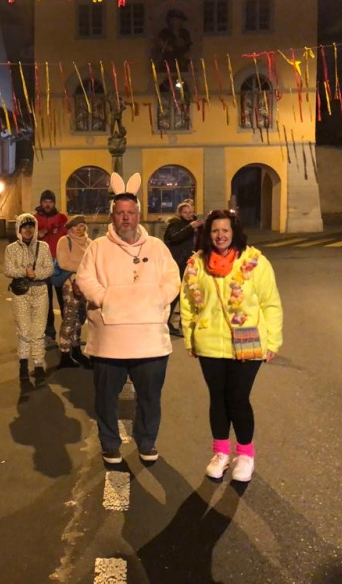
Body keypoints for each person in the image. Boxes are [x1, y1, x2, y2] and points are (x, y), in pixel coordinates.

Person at [76, 173, 180, 465]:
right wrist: (106, 299)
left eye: (130, 213)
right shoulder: (98, 247)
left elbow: (172, 280)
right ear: (113, 216)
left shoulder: (157, 247)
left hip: (150, 341)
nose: (126, 218)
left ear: (138, 215)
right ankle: (110, 444)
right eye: (120, 213)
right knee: (106, 398)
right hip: (110, 341)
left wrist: (156, 299)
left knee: (149, 398)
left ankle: (147, 442)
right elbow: (85, 279)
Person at [180, 209, 283, 483]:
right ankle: (220, 453)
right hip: (209, 341)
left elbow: (270, 303)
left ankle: (245, 455)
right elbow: (188, 303)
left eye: (225, 230)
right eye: (215, 230)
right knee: (217, 398)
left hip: (247, 338)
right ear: (208, 234)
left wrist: (273, 341)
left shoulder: (255, 262)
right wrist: (190, 338)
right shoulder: (197, 263)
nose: (220, 235)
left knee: (238, 398)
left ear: (234, 232)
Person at [5, 213, 53, 388]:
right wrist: (24, 273)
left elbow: (49, 268)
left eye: (31, 226)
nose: (28, 230)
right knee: (24, 331)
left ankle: (39, 364)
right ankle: (23, 366)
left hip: (40, 292)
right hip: (21, 294)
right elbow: (8, 269)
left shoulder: (43, 247)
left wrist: (36, 274)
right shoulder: (11, 249)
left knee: (39, 331)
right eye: (24, 227)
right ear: (19, 229)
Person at [163, 201, 204, 337]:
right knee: (177, 292)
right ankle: (166, 321)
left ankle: (185, 321)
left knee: (190, 291)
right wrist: (190, 228)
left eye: (191, 212)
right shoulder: (175, 224)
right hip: (179, 261)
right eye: (185, 212)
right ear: (180, 213)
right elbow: (173, 238)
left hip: (192, 261)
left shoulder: (196, 224)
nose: (188, 215)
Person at [55, 214, 91, 369]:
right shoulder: (65, 241)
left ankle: (76, 349)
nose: (79, 229)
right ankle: (64, 352)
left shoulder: (90, 243)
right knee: (69, 317)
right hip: (70, 285)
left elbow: (94, 262)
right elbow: (64, 263)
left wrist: (80, 266)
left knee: (80, 318)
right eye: (76, 226)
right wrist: (84, 266)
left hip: (85, 285)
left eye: (82, 226)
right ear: (70, 228)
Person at [34, 190, 68, 342]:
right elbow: (24, 237)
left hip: (60, 264)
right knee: (46, 301)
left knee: (64, 300)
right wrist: (37, 235)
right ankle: (49, 333)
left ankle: (68, 332)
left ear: (54, 203)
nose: (47, 204)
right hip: (42, 264)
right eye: (45, 201)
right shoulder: (34, 219)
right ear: (41, 203)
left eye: (50, 202)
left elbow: (70, 237)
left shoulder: (62, 219)